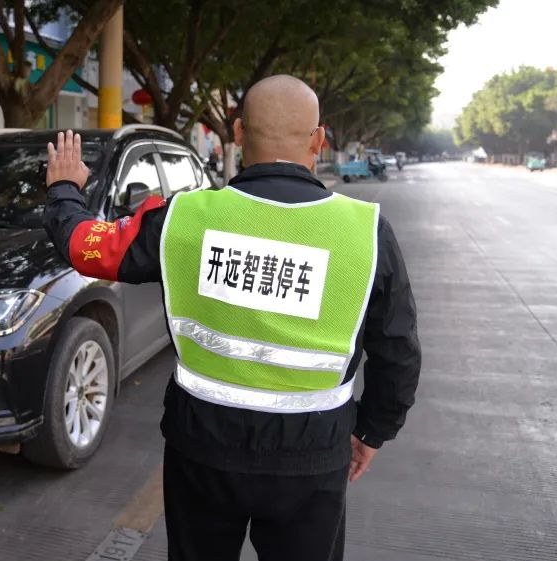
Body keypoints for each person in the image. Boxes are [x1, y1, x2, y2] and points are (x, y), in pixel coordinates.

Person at [42, 75, 420, 561]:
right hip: (313, 452)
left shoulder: (183, 218)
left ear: (238, 134)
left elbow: (86, 247)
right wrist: (371, 432)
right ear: (319, 140)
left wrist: (65, 189)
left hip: (200, 446)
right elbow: (399, 352)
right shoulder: (366, 233)